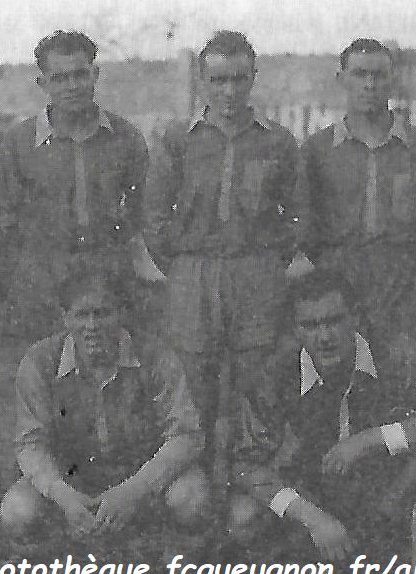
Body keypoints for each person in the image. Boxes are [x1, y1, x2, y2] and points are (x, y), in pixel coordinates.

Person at [227, 269, 416, 574]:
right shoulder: (275, 373)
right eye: (310, 325)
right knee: (243, 514)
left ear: (354, 316)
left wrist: (370, 439)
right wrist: (310, 515)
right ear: (295, 330)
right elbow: (244, 463)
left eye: (334, 321)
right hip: (315, 504)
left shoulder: (394, 352)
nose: (324, 336)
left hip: (386, 498)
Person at [144, 30, 302, 487]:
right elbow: (154, 216)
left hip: (256, 272)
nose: (229, 91)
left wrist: (268, 262)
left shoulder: (277, 142)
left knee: (256, 385)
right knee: (194, 387)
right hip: (192, 273)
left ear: (253, 78)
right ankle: (194, 495)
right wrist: (181, 265)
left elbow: (299, 216)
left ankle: (253, 490)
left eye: (238, 79)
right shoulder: (178, 139)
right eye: (218, 81)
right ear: (203, 82)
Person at [0, 267, 209, 552]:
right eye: (81, 315)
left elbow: (186, 435)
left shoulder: (156, 356)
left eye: (102, 313)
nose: (92, 326)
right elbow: (30, 443)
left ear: (121, 314)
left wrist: (133, 491)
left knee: (191, 497)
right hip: (72, 481)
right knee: (17, 509)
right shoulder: (39, 361)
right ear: (65, 318)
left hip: (141, 476)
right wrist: (64, 497)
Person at [0, 30, 150, 342]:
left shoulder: (125, 137)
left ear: (96, 75)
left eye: (80, 75)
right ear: (43, 83)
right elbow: (3, 217)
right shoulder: (19, 142)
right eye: (60, 78)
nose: (72, 86)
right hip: (42, 282)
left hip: (108, 278)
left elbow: (142, 211)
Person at [298, 38, 416, 350]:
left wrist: (408, 265)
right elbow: (307, 227)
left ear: (393, 79)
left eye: (379, 75)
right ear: (342, 79)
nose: (369, 84)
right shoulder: (317, 150)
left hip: (405, 287)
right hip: (339, 284)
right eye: (360, 74)